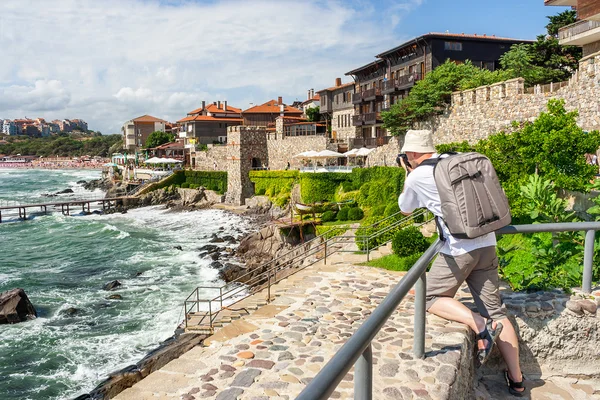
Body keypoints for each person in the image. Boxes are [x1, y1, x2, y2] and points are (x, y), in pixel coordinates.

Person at [397, 129, 525, 396]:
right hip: (487, 242)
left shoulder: (418, 175)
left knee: (428, 297)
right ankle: (517, 380)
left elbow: (405, 208)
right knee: (497, 311)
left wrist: (407, 174)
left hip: (458, 248)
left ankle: (480, 325)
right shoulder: (453, 160)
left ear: (410, 154)